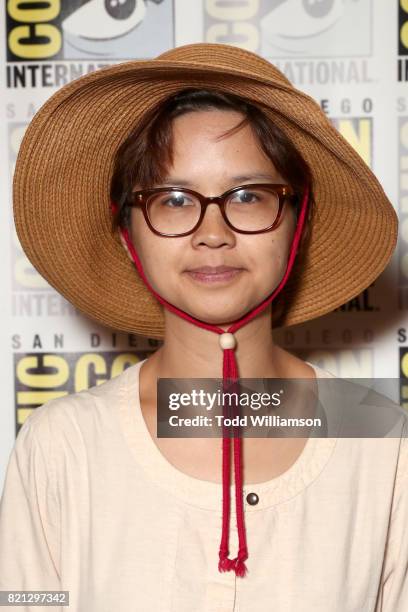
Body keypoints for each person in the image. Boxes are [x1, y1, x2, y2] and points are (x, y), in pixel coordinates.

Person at [0, 43, 406, 611]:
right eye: (171, 200)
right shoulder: (63, 446)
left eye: (247, 195)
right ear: (127, 234)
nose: (211, 232)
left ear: (298, 223)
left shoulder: (383, 441)